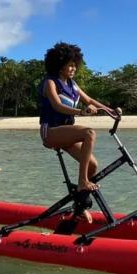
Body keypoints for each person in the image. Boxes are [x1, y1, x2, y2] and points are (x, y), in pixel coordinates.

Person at [39, 43, 115, 220]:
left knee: (93, 166)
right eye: (70, 65)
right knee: (89, 133)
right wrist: (81, 112)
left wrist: (111, 111)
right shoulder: (50, 82)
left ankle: (79, 208)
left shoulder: (73, 85)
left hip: (68, 133)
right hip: (51, 132)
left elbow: (90, 100)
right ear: (59, 64)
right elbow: (57, 105)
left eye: (75, 64)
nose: (73, 68)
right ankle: (82, 182)